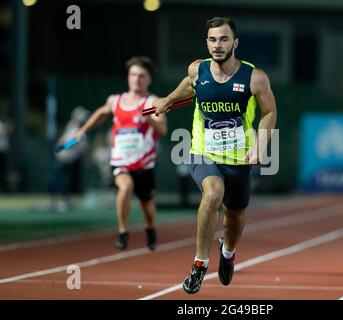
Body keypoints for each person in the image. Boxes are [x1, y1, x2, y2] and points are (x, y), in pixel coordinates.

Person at [152, 16, 277, 294]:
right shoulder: (198, 70)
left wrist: (260, 145)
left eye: (223, 39)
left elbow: (269, 112)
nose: (217, 45)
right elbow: (189, 83)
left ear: (235, 42)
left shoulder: (254, 77)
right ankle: (199, 264)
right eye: (212, 39)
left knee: (235, 218)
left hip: (239, 159)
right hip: (203, 152)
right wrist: (168, 100)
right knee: (212, 193)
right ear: (206, 43)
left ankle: (228, 252)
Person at [74, 56, 167, 251]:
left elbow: (162, 130)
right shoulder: (115, 100)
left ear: (149, 79)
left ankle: (150, 227)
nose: (136, 79)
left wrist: (148, 117)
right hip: (120, 160)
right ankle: (123, 231)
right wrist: (83, 131)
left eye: (141, 75)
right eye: (133, 74)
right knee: (125, 188)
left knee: (146, 204)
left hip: (143, 163)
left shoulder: (153, 101)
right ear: (128, 77)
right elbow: (101, 113)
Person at [50, 106, 90, 212]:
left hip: (68, 158)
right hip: (63, 157)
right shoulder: (72, 126)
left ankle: (63, 201)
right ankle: (57, 200)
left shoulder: (81, 132)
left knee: (64, 180)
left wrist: (61, 147)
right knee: (57, 180)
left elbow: (73, 143)